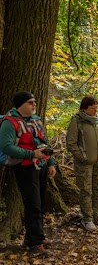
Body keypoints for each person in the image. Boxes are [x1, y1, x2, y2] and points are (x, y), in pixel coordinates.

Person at [0, 91, 56, 256]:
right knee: (33, 204)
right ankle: (34, 243)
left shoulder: (36, 120)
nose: (34, 105)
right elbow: (7, 147)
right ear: (20, 105)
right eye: (30, 102)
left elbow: (45, 141)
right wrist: (32, 154)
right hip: (25, 168)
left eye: (34, 102)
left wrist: (50, 162)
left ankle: (36, 236)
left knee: (39, 203)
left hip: (41, 165)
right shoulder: (9, 123)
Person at [66, 95, 98, 231]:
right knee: (86, 190)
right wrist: (82, 157)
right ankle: (87, 219)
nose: (95, 110)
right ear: (84, 109)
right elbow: (71, 143)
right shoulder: (77, 121)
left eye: (96, 107)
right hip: (84, 163)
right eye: (92, 108)